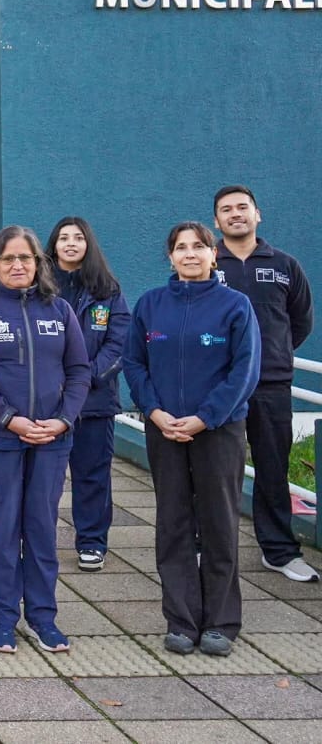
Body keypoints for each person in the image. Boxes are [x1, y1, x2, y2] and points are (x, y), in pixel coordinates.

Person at [124, 221, 260, 657]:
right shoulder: (150, 305)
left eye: (198, 246)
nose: (190, 254)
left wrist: (205, 417)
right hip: (164, 430)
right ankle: (181, 620)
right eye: (181, 248)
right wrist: (156, 412)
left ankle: (220, 622)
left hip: (217, 431)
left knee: (220, 523)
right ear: (170, 256)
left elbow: (244, 370)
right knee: (173, 523)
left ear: (212, 254)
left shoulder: (235, 305)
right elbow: (134, 363)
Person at [0, 225, 90, 655]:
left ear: (38, 264)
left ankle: (43, 618)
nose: (17, 265)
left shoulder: (60, 311)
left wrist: (64, 420)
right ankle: (1, 618)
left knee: (43, 528)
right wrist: (10, 419)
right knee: (4, 527)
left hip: (52, 439)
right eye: (8, 259)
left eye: (26, 258)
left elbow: (80, 370)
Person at [213, 186, 317, 583]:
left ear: (258, 214)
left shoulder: (285, 265)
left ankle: (278, 551)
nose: (235, 214)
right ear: (216, 221)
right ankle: (208, 548)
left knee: (272, 469)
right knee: (215, 471)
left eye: (242, 208)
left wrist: (270, 354)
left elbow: (300, 321)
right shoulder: (207, 262)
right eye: (226, 210)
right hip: (217, 386)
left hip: (270, 384)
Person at [44, 217, 131, 573]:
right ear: (53, 245)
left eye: (78, 238)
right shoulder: (40, 286)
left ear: (88, 244)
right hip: (48, 400)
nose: (70, 243)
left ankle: (92, 542)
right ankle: (39, 540)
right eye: (63, 238)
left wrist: (84, 378)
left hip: (95, 401)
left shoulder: (107, 289)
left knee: (92, 475)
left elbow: (118, 342)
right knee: (44, 477)